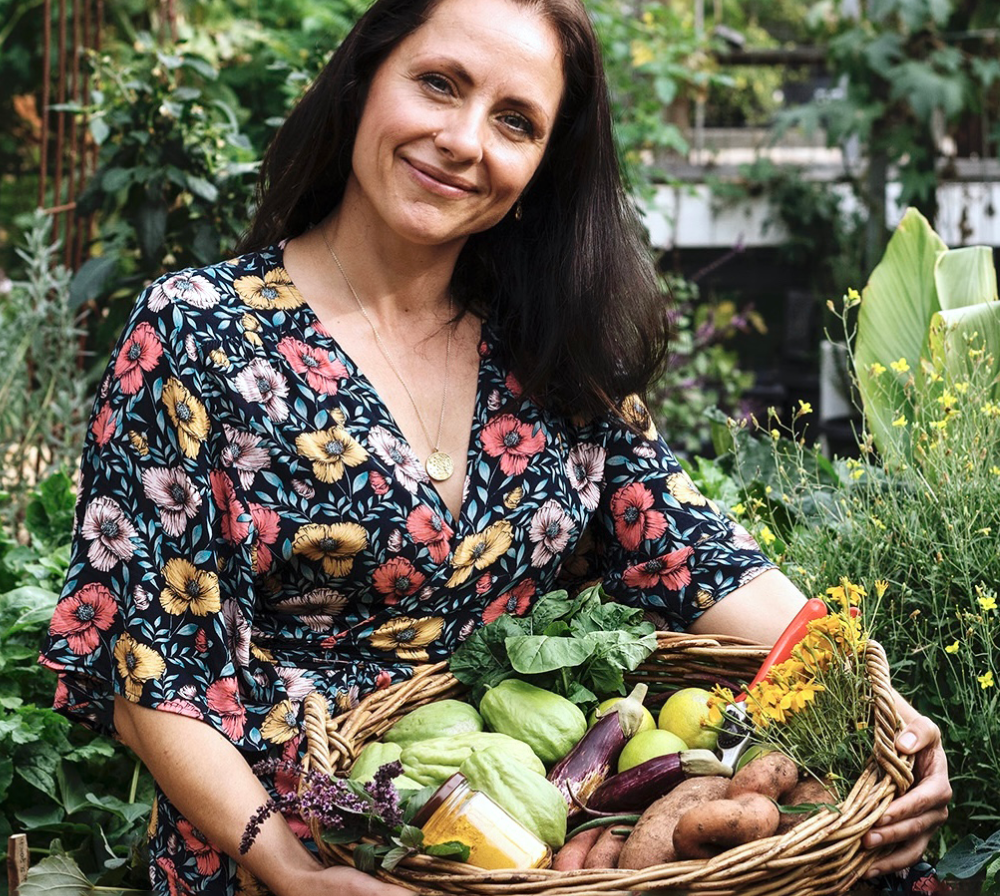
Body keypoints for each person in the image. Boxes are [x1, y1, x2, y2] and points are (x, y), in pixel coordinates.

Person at [39, 0, 951, 893]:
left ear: (544, 165)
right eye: (439, 84)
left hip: (530, 833)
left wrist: (877, 706)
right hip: (298, 831)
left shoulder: (549, 345)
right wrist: (288, 868)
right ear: (363, 83)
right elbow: (151, 671)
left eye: (515, 120)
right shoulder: (198, 333)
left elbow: (696, 553)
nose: (466, 140)